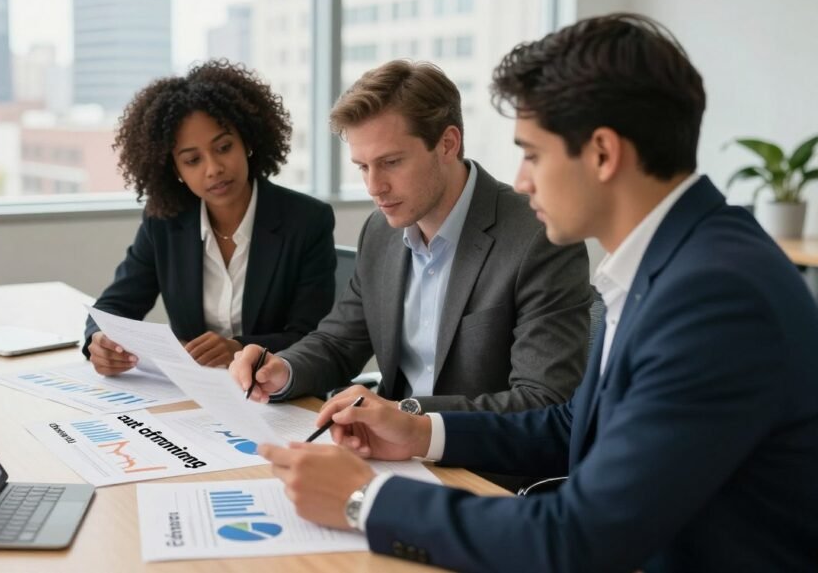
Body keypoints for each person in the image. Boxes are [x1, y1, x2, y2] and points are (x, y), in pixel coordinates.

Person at [257, 14, 818, 572]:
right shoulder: (675, 260)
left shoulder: (714, 296)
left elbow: (582, 537)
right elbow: (573, 425)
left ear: (602, 153)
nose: (522, 181)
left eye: (533, 153)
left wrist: (365, 501)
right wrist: (417, 430)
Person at [230, 60, 592, 414]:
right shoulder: (379, 232)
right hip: (388, 450)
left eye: (391, 162)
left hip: (482, 466)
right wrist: (282, 370)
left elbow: (543, 401)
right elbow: (339, 342)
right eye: (363, 167)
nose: (374, 186)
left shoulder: (539, 238)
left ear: (448, 144)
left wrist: (403, 415)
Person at [84, 60, 336, 375]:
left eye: (224, 147)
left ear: (248, 142)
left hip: (279, 393)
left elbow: (315, 337)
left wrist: (240, 347)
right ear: (175, 170)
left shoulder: (306, 220)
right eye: (192, 159)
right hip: (199, 394)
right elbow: (113, 306)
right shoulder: (164, 222)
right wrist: (100, 340)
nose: (213, 168)